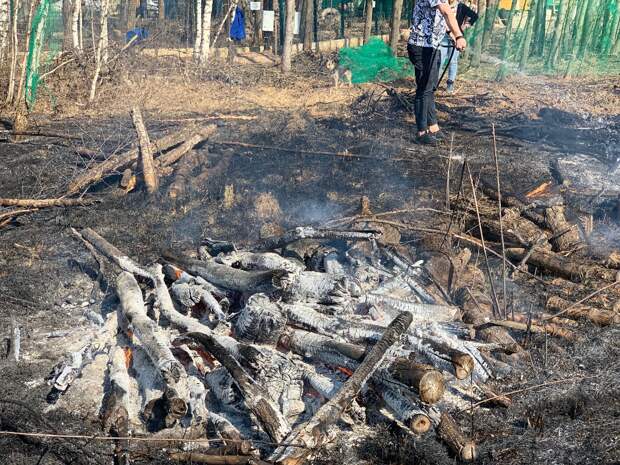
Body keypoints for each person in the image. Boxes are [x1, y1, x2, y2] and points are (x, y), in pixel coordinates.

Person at [407, 0, 466, 145]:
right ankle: (421, 132)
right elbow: (446, 11)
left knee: (429, 88)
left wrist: (450, 33)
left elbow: (437, 16)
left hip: (431, 45)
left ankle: (433, 127)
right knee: (424, 89)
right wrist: (459, 35)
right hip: (422, 46)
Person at [439, 0, 478, 93]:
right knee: (440, 60)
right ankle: (434, 82)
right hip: (443, 36)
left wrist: (466, 25)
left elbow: (474, 16)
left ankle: (450, 84)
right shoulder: (442, 4)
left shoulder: (461, 6)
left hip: (457, 37)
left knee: (453, 60)